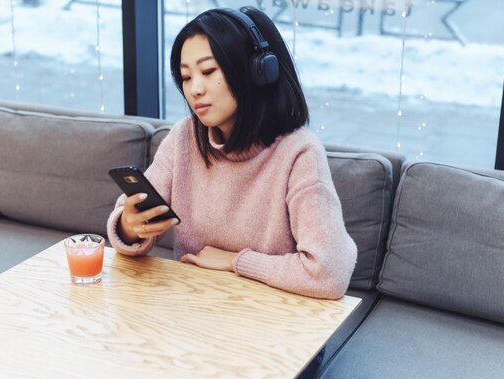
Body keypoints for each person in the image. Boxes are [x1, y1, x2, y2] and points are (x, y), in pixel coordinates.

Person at [107, 6, 357, 300]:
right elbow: (130, 224)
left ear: (257, 72)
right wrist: (129, 226)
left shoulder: (299, 153)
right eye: (186, 77)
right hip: (197, 310)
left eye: (209, 71)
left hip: (275, 321)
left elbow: (329, 275)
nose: (195, 89)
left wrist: (233, 261)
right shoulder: (184, 138)